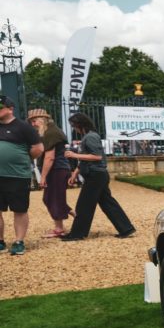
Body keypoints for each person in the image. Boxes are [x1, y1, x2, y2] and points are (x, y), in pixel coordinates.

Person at [61, 112, 136, 241]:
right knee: (108, 203)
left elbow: (97, 156)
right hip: (97, 174)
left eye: (74, 125)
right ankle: (126, 228)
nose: (74, 128)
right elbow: (86, 159)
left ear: (80, 124)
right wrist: (74, 174)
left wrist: (74, 155)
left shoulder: (90, 137)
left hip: (96, 175)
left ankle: (77, 234)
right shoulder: (89, 136)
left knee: (84, 205)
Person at [0, 95, 43, 255]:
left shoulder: (24, 127)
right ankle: (0, 241)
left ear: (10, 109)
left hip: (17, 176)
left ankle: (19, 241)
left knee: (20, 209)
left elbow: (38, 148)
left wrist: (21, 159)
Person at [28, 109, 73, 238]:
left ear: (43, 119)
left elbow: (50, 157)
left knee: (53, 199)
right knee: (51, 198)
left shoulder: (50, 132)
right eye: (31, 122)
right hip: (57, 169)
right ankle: (78, 217)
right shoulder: (50, 131)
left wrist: (42, 177)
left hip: (56, 169)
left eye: (34, 121)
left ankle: (59, 229)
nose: (33, 124)